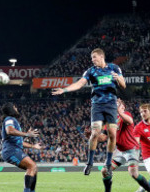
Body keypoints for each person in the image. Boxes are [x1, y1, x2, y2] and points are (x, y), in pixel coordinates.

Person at [52, 48, 125, 176]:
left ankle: (108, 164)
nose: (92, 60)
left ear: (102, 56)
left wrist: (118, 79)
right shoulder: (91, 71)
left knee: (113, 134)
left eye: (94, 57)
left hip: (111, 106)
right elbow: (79, 84)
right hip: (97, 106)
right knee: (95, 132)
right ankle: (89, 162)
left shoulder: (114, 68)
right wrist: (64, 90)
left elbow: (123, 85)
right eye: (92, 58)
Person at [98, 99, 150, 192]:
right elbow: (103, 137)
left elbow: (130, 121)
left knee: (133, 173)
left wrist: (120, 112)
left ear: (123, 107)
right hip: (119, 150)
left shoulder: (126, 114)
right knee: (104, 171)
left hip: (131, 149)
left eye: (117, 104)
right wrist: (92, 136)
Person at [1, 102, 44, 192]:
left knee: (34, 167)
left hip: (14, 149)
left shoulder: (13, 120)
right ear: (11, 109)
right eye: (15, 107)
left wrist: (34, 146)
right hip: (10, 151)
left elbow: (19, 142)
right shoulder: (9, 119)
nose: (16, 108)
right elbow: (9, 131)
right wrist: (27, 134)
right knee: (31, 166)